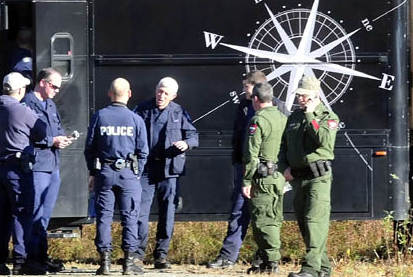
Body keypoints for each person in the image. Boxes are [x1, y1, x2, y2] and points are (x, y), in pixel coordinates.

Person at [208, 70, 289, 270]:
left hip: (267, 171)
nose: (243, 90)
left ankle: (264, 258)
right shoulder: (244, 107)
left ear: (256, 88)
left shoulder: (278, 108)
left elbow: (284, 142)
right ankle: (228, 256)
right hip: (244, 166)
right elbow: (240, 137)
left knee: (266, 214)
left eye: (246, 86)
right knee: (238, 211)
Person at [133, 77, 198, 269]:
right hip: (146, 170)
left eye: (166, 93)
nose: (161, 96)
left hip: (170, 171)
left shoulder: (179, 112)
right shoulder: (141, 109)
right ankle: (137, 254)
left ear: (173, 96)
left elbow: (194, 136)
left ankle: (161, 256)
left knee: (167, 213)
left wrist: (186, 144)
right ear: (155, 90)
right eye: (159, 91)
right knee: (140, 213)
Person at [84, 78, 148, 275]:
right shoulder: (136, 119)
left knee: (104, 217)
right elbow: (143, 151)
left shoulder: (99, 117)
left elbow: (89, 148)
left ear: (109, 94)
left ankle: (105, 264)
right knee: (130, 216)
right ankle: (128, 265)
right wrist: (137, 173)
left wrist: (93, 173)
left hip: (105, 172)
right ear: (129, 94)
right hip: (128, 173)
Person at [0, 72, 47, 275]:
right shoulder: (21, 110)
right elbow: (42, 131)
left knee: (1, 217)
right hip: (18, 170)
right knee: (22, 215)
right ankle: (21, 261)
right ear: (20, 90)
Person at [279, 76, 338, 277]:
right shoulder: (294, 117)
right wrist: (283, 167)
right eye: (299, 96)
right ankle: (323, 268)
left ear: (315, 95)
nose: (301, 99)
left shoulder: (328, 117)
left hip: (318, 177)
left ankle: (310, 269)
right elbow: (283, 144)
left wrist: (311, 115)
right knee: (305, 224)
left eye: (304, 96)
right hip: (297, 177)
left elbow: (324, 141)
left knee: (315, 222)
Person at [21, 68, 74, 273]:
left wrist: (63, 139)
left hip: (52, 165)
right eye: (54, 86)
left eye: (59, 87)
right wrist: (51, 140)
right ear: (42, 82)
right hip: (37, 166)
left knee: (44, 216)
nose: (57, 90)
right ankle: (31, 258)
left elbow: (57, 128)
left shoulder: (50, 104)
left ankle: (41, 257)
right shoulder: (27, 104)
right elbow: (25, 134)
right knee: (35, 213)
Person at [241, 82, 287, 274]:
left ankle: (272, 261)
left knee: (262, 220)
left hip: (262, 177)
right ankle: (268, 259)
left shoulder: (258, 120)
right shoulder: (282, 117)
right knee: (274, 217)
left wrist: (246, 180)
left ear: (256, 99)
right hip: (278, 176)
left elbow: (251, 152)